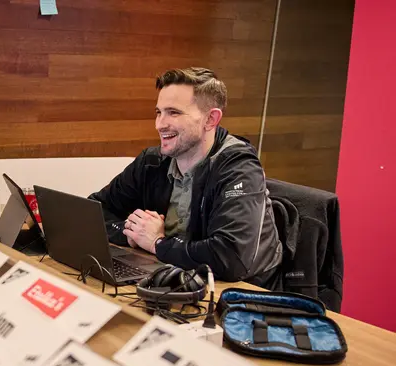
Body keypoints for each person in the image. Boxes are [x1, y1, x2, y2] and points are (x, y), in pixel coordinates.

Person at [89, 67, 282, 287]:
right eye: (158, 112)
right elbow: (93, 211)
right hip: (174, 275)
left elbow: (231, 257)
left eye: (174, 112)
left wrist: (157, 243)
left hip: (241, 294)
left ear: (211, 119)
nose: (160, 124)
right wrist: (132, 234)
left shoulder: (239, 169)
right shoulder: (152, 161)